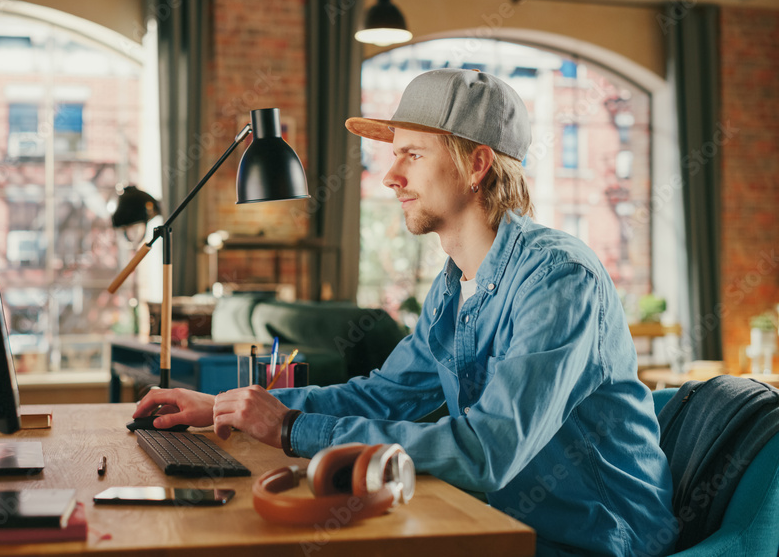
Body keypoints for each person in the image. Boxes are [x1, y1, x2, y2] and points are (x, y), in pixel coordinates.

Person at [134, 68, 677, 556]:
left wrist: (293, 428)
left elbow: (487, 451)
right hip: (501, 521)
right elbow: (382, 394)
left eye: (412, 155)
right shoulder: (452, 286)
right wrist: (230, 408)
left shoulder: (558, 278)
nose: (391, 176)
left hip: (598, 538)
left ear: (477, 165)